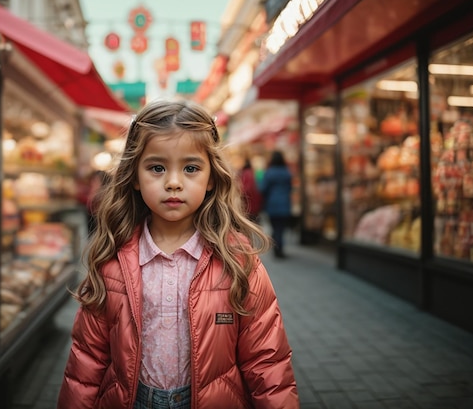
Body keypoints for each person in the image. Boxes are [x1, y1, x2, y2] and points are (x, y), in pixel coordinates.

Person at [58, 100, 299, 409]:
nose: (173, 182)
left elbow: (267, 359)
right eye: (157, 168)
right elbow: (87, 362)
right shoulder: (112, 260)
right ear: (134, 175)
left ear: (211, 177)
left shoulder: (237, 260)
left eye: (190, 168)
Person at [260, 150, 293, 259]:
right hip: (284, 204)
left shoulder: (269, 172)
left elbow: (263, 188)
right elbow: (290, 188)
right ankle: (279, 248)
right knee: (281, 228)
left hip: (272, 204)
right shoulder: (287, 172)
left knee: (275, 227)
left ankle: (276, 247)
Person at [239, 158, 262, 222]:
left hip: (249, 205)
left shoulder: (246, 174)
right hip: (255, 204)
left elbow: (246, 189)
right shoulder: (254, 173)